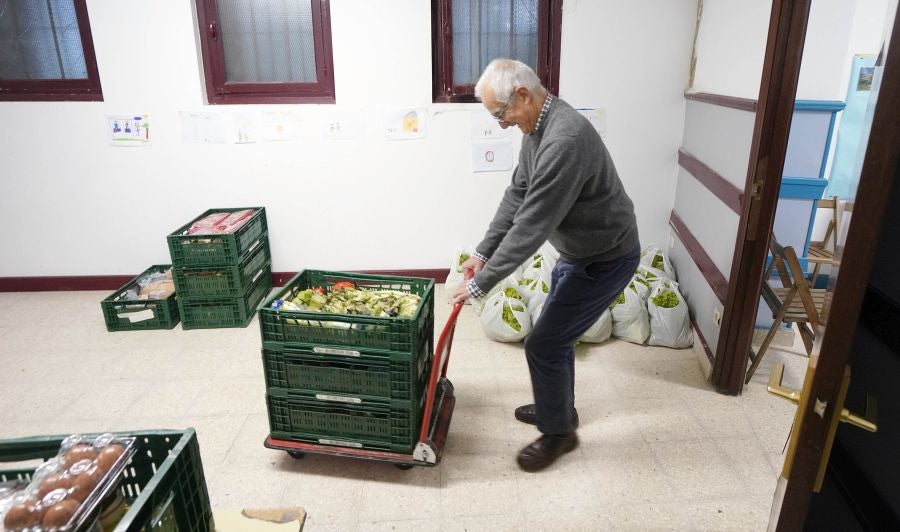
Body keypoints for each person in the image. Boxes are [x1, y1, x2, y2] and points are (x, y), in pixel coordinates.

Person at [452, 58, 640, 472]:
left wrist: (482, 284)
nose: (502, 124)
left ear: (522, 95)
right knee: (557, 339)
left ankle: (559, 434)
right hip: (579, 254)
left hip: (605, 258)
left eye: (501, 114)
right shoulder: (537, 127)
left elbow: (533, 223)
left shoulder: (565, 139)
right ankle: (561, 409)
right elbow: (518, 194)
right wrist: (482, 252)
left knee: (544, 343)